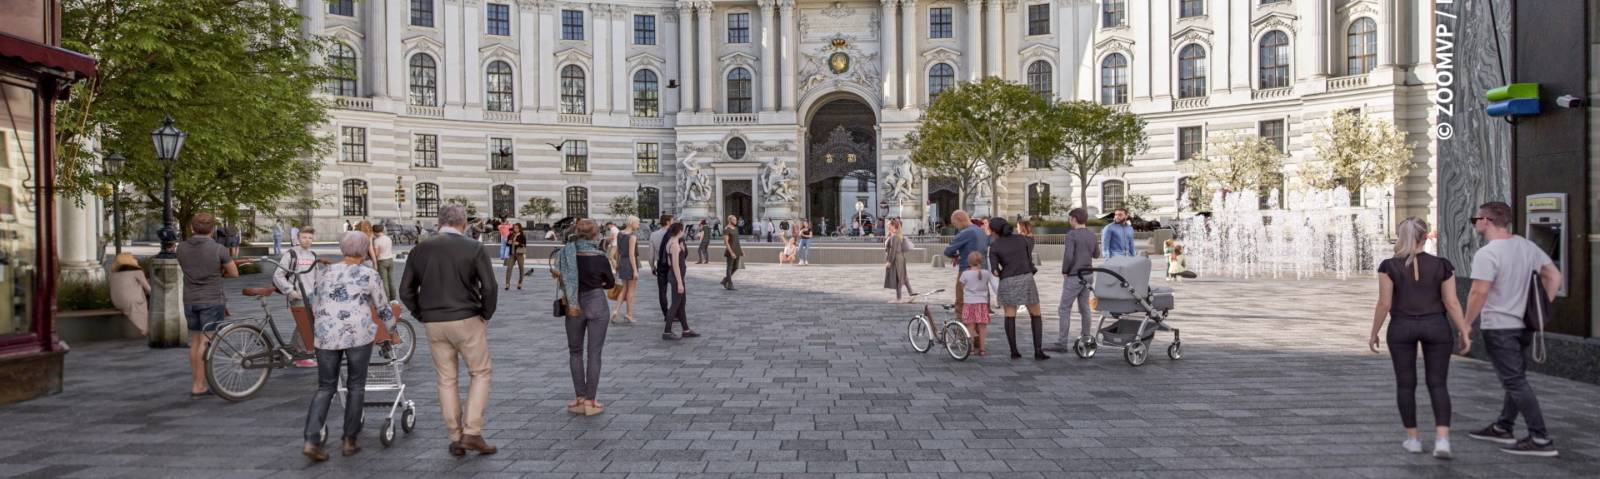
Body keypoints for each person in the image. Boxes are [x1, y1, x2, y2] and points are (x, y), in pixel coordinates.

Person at [1463, 201, 1562, 457]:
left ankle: (1540, 439)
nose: (1476, 224)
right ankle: (1503, 427)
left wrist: (1465, 324)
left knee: (1515, 381)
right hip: (1523, 326)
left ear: (1486, 220)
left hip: (1499, 326)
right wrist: (1540, 307)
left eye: (1476, 220)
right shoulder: (1526, 246)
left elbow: (1479, 291)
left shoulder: (1487, 253)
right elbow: (1554, 276)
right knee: (1515, 377)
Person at [399, 204, 499, 456]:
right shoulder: (474, 247)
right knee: (480, 372)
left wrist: (420, 314)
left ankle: (455, 437)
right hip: (466, 317)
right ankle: (472, 432)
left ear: (439, 221)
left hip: (434, 322)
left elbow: (405, 291)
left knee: (446, 378)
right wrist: (486, 313)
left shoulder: (419, 249)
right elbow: (489, 287)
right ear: (463, 223)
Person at [1368, 218, 1471, 459]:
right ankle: (1442, 440)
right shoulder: (1442, 265)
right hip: (1436, 326)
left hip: (1402, 327)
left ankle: (1413, 440)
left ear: (1400, 236)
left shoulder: (1388, 266)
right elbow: (1452, 302)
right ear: (1425, 237)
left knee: (1405, 384)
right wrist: (1464, 329)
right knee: (1438, 383)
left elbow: (1384, 303)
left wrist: (1374, 332)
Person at [301, 231, 396, 461]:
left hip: (325, 335)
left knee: (325, 387)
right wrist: (391, 328)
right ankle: (349, 440)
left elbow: (315, 301)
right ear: (364, 250)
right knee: (355, 386)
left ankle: (312, 439)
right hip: (358, 334)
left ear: (343, 249)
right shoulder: (369, 274)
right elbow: (383, 306)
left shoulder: (325, 272)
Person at [552, 219, 616, 416]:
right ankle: (591, 401)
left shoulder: (565, 253)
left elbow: (559, 277)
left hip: (574, 305)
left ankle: (579, 397)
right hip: (597, 302)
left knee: (575, 352)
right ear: (595, 235)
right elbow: (610, 283)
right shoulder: (600, 256)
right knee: (594, 353)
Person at [176, 213, 242, 399]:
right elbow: (234, 273)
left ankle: (197, 383)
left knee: (196, 341)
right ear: (213, 229)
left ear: (191, 228)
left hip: (190, 299)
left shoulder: (181, 248)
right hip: (212, 299)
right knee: (206, 341)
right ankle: (199, 385)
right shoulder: (218, 248)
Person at [988, 217, 1048, 360]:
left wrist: (1004, 274)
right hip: (1026, 278)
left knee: (1010, 315)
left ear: (994, 231)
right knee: (1035, 314)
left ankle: (1014, 351)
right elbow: (1028, 259)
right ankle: (1038, 351)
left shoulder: (994, 246)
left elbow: (995, 271)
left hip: (1008, 280)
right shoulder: (1022, 239)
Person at [1048, 208, 1098, 354]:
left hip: (1075, 274)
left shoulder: (1072, 235)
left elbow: (1068, 255)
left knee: (1064, 308)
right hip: (1088, 274)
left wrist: (1065, 270)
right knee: (1084, 308)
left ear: (1074, 219)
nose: (1069, 221)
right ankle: (1086, 339)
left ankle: (1062, 342)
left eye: (1069, 218)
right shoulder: (1091, 234)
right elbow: (1096, 254)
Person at [274, 227, 324, 368]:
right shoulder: (291, 254)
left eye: (310, 238)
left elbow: (316, 276)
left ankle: (290, 353)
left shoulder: (312, 255)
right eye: (304, 237)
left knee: (305, 324)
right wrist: (290, 291)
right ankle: (300, 356)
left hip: (311, 295)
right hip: (298, 295)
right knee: (305, 324)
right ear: (298, 238)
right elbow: (278, 275)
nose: (307, 240)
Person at [658, 223, 699, 339]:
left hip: (675, 276)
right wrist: (680, 283)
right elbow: (675, 265)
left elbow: (671, 262)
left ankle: (686, 330)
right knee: (675, 304)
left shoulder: (671, 242)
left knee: (681, 303)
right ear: (680, 231)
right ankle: (667, 332)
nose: (684, 232)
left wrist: (682, 249)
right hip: (677, 277)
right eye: (683, 230)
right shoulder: (674, 245)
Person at [942, 210, 989, 308]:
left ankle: (960, 320)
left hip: (967, 269)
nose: (956, 227)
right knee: (979, 299)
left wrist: (955, 256)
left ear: (960, 220)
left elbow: (948, 251)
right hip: (982, 268)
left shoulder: (966, 232)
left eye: (955, 224)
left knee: (961, 299)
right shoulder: (981, 231)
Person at [958, 252, 997, 356]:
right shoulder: (986, 273)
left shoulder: (965, 273)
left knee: (970, 326)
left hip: (969, 302)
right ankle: (982, 349)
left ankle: (971, 349)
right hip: (982, 303)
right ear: (981, 261)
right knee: (982, 327)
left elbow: (961, 287)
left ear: (969, 262)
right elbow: (993, 285)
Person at [108, 252, 150, 335]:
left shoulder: (113, 273)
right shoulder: (137, 271)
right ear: (128, 260)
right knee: (143, 301)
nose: (136, 259)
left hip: (117, 302)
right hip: (132, 303)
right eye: (133, 258)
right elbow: (149, 289)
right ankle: (144, 329)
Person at [610, 216, 641, 324]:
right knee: (631, 290)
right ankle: (629, 314)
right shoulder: (632, 236)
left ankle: (615, 310)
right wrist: (635, 270)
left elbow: (618, 250)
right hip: (630, 263)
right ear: (632, 223)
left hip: (622, 262)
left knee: (624, 289)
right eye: (637, 222)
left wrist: (617, 263)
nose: (639, 225)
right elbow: (632, 255)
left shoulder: (620, 234)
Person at [650, 214, 676, 318]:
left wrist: (652, 267)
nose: (673, 222)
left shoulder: (653, 235)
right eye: (672, 221)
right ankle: (675, 313)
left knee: (662, 291)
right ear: (668, 222)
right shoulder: (673, 234)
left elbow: (651, 255)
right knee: (676, 290)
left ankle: (666, 314)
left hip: (660, 264)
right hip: (673, 265)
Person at [883, 219, 915, 302]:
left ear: (894, 226)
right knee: (903, 277)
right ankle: (912, 294)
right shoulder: (897, 235)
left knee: (898, 277)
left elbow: (892, 250)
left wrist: (889, 261)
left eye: (890, 225)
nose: (888, 227)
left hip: (896, 259)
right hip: (900, 258)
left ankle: (899, 298)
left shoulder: (894, 237)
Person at [373, 224, 397, 300]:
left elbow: (376, 254)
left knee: (384, 281)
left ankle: (387, 298)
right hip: (390, 259)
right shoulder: (388, 238)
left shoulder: (377, 241)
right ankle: (393, 298)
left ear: (375, 232)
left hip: (382, 261)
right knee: (391, 280)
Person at [503, 223, 528, 290]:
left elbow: (524, 245)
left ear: (520, 228)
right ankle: (507, 284)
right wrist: (509, 242)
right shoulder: (510, 235)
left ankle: (520, 283)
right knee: (509, 268)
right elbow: (507, 244)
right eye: (514, 228)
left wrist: (518, 243)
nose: (515, 229)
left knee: (521, 268)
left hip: (519, 254)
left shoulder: (522, 235)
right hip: (512, 253)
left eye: (517, 228)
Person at [721, 215, 743, 290]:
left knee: (736, 267)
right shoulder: (726, 229)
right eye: (735, 220)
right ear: (730, 220)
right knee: (729, 267)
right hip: (731, 251)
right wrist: (731, 252)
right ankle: (730, 284)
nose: (736, 221)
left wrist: (741, 250)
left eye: (736, 220)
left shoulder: (736, 228)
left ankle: (725, 280)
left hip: (737, 250)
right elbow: (726, 242)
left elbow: (737, 240)